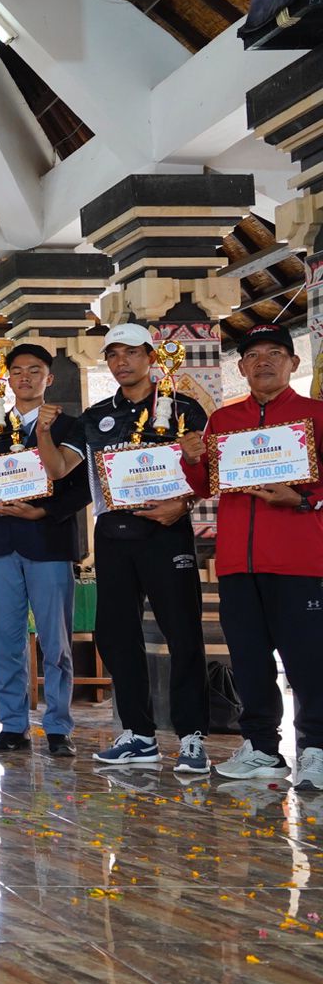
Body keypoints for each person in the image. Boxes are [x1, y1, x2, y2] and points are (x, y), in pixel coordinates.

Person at [180, 324, 323, 788]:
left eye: (274, 353)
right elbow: (205, 487)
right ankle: (262, 748)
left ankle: (317, 750)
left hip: (300, 561)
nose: (264, 361)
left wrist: (302, 499)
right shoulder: (223, 420)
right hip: (237, 565)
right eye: (253, 355)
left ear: (293, 363)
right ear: (241, 367)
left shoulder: (316, 415)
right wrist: (193, 459)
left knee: (309, 661)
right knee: (248, 660)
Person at [74, 322, 210, 772]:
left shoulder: (185, 408)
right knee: (116, 635)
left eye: (130, 353)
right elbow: (80, 477)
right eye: (113, 355)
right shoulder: (95, 416)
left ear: (151, 357)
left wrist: (183, 504)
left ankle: (191, 736)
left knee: (183, 632)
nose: (121, 362)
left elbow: (208, 473)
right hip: (113, 535)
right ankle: (138, 735)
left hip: (167, 533)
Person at [0, 345, 90, 758]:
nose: (25, 377)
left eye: (34, 370)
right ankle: (12, 725)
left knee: (55, 642)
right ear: (8, 379)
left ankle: (57, 727)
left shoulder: (70, 426)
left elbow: (80, 486)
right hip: (0, 543)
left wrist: (43, 511)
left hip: (48, 542)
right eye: (17, 370)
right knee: (5, 640)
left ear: (48, 378)